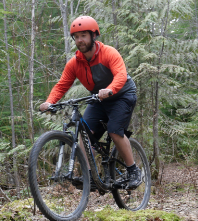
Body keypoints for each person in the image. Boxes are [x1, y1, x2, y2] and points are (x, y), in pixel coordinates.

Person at [39, 16, 141, 190]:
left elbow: (121, 75)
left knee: (115, 131)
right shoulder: (75, 63)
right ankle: (90, 176)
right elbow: (62, 85)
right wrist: (49, 102)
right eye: (76, 37)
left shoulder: (108, 53)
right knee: (85, 135)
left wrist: (110, 89)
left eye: (84, 35)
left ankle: (133, 171)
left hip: (122, 95)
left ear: (94, 36)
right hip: (98, 99)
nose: (80, 40)